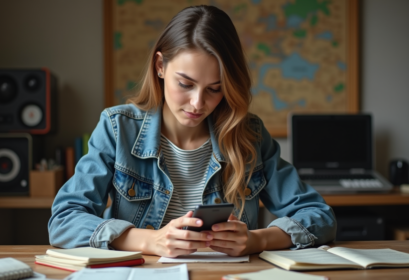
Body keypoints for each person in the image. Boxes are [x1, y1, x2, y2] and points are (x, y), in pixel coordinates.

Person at [48, 5, 336, 257]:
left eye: (215, 89)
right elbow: (63, 221)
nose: (198, 103)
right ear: (160, 66)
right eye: (185, 84)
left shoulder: (250, 136)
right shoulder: (117, 128)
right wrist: (149, 240)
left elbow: (320, 217)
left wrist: (257, 240)